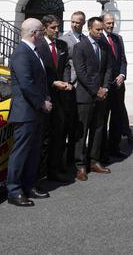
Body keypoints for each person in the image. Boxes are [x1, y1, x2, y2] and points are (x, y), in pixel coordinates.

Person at [5, 18, 52, 206]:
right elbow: (26, 84)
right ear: (35, 33)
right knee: (21, 153)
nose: (43, 34)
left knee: (33, 152)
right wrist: (42, 103)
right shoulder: (21, 53)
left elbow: (40, 80)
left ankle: (29, 185)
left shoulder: (34, 52)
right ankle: (14, 190)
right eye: (41, 31)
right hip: (26, 113)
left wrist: (45, 99)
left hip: (36, 112)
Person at [72, 16, 114, 180]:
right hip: (85, 96)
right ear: (89, 29)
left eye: (102, 30)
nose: (100, 32)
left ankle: (94, 161)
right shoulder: (80, 47)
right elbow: (81, 73)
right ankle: (80, 166)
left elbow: (108, 68)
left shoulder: (104, 46)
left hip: (101, 95)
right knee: (82, 132)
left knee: (98, 129)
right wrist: (96, 90)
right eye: (97, 30)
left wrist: (104, 88)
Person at [36, 15, 75, 183]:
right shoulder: (37, 45)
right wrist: (53, 83)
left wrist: (66, 82)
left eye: (58, 27)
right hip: (43, 96)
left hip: (60, 98)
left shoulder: (62, 45)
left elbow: (66, 65)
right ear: (45, 28)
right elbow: (36, 73)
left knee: (58, 135)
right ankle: (39, 174)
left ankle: (54, 170)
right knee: (43, 138)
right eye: (53, 27)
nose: (57, 30)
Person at [59, 11, 88, 170]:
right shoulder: (64, 40)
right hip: (70, 85)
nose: (75, 24)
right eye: (73, 21)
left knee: (79, 125)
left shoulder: (85, 39)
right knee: (68, 124)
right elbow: (63, 64)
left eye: (78, 22)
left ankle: (76, 156)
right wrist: (66, 82)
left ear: (83, 23)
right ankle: (65, 159)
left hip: (83, 87)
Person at [101, 13, 131, 162]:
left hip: (119, 85)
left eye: (112, 23)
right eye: (108, 23)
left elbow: (123, 60)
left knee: (117, 118)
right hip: (106, 86)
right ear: (102, 23)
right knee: (103, 118)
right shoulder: (98, 39)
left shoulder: (118, 39)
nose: (110, 25)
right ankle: (102, 152)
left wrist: (122, 75)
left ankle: (115, 147)